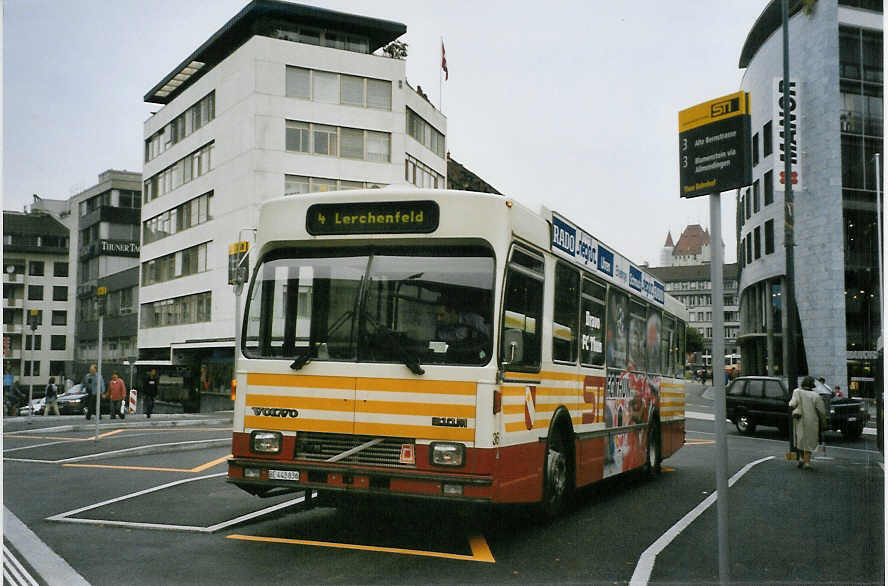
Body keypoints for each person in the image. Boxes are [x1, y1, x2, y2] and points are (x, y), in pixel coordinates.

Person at [789, 376, 827, 470]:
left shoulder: (796, 392)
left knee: (800, 440)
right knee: (809, 442)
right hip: (812, 421)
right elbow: (821, 412)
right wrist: (824, 423)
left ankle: (801, 459)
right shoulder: (816, 396)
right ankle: (807, 462)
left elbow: (792, 404)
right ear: (812, 385)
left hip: (799, 420)